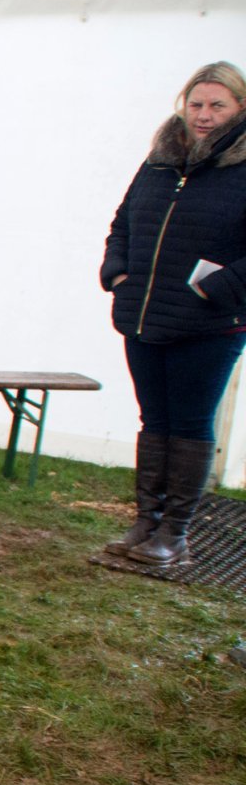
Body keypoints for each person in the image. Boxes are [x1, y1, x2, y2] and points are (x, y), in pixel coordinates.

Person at [98, 60, 246, 568]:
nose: (203, 115)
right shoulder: (161, 160)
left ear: (240, 109)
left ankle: (175, 534)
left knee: (190, 423)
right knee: (154, 420)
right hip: (144, 315)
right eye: (196, 104)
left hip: (209, 324)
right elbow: (123, 222)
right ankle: (146, 522)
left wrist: (218, 289)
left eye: (217, 106)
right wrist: (118, 273)